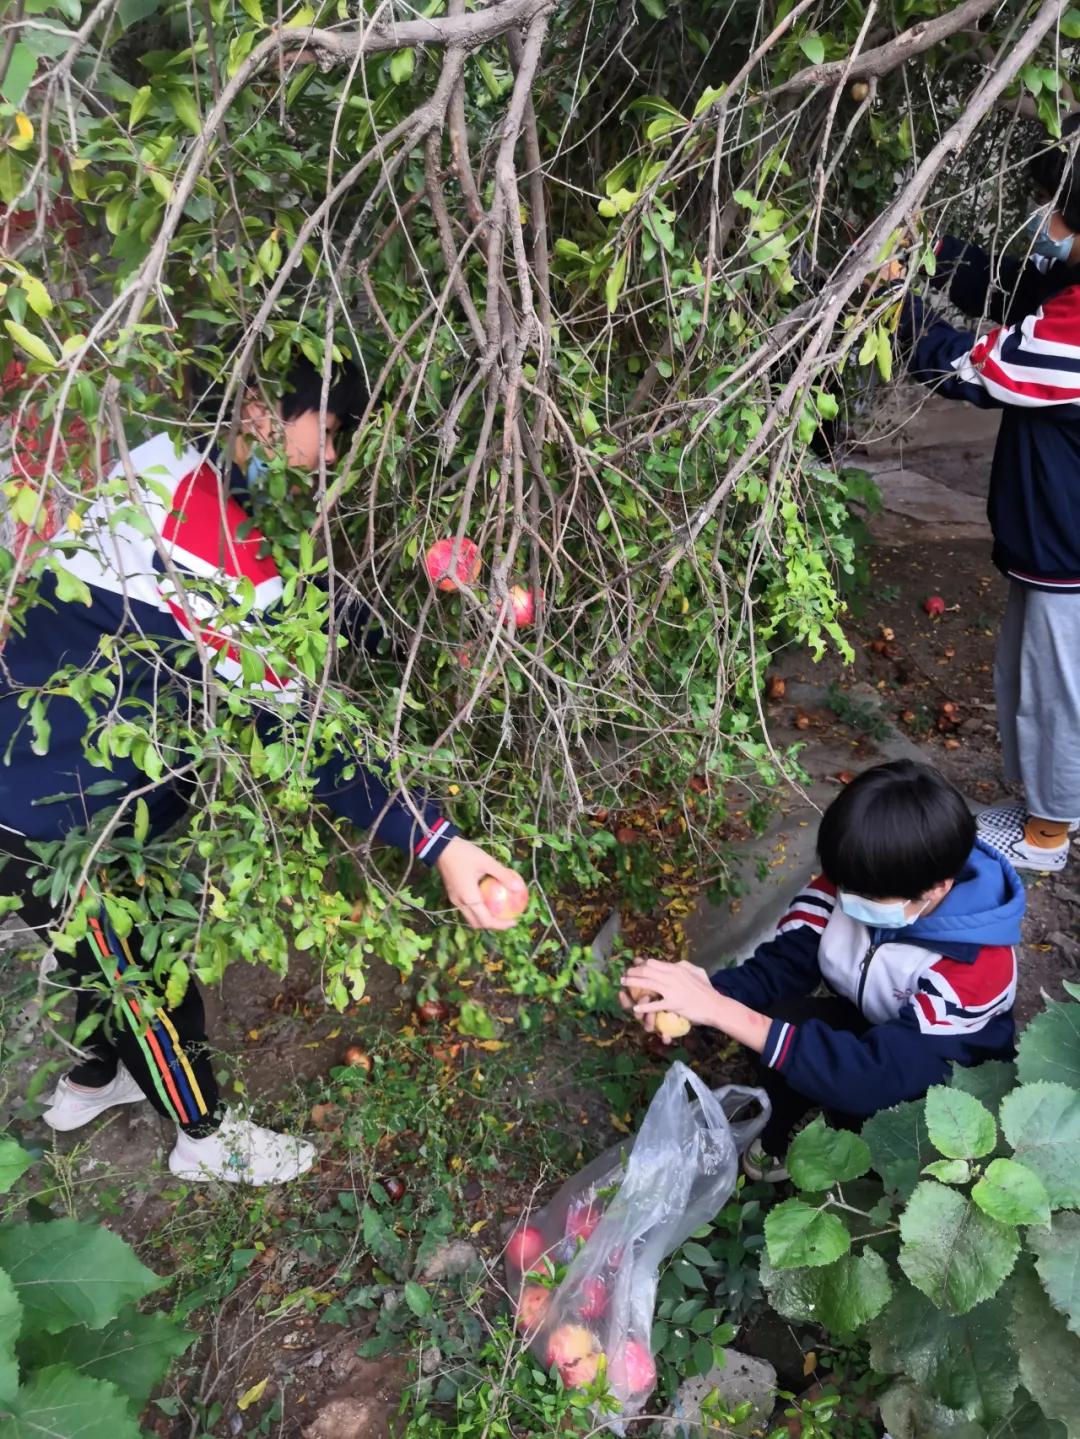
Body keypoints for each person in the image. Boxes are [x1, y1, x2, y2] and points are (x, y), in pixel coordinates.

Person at [0, 347, 527, 1186]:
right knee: (139, 970)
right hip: (56, 801)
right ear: (258, 407)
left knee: (91, 948)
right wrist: (443, 844)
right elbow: (302, 733)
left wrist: (407, 636)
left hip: (51, 762)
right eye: (332, 430)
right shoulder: (212, 537)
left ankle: (100, 1076)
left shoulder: (169, 464)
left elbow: (281, 608)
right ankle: (205, 1138)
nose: (332, 455)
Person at [620, 761, 1023, 1180]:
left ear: (937, 887)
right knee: (780, 1021)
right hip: (877, 1025)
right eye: (842, 884)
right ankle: (786, 1129)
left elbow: (878, 1076)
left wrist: (722, 1011)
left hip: (939, 1078)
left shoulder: (976, 964)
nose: (846, 899)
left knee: (868, 1112)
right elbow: (778, 969)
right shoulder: (853, 884)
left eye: (866, 895)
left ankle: (859, 1169)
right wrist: (692, 1002)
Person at [895, 119, 1080, 872]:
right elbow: (1011, 283)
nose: (1046, 223)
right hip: (1055, 540)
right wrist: (927, 252)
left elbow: (980, 371)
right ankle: (1043, 802)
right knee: (1031, 681)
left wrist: (888, 315)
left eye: (1054, 210)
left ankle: (1048, 833)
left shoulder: (1076, 324)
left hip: (1068, 551)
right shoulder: (1068, 286)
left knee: (1055, 693)